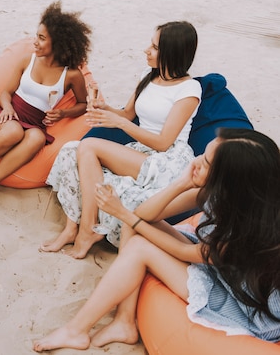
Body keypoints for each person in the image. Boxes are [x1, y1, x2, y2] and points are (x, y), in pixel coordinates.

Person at [33, 128, 280, 351]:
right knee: (137, 224)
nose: (195, 162)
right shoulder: (219, 194)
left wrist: (123, 214)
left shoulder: (248, 232)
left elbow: (187, 254)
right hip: (221, 271)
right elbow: (146, 214)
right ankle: (125, 321)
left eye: (204, 162)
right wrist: (182, 183)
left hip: (242, 305)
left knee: (139, 242)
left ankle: (76, 330)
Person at [42, 21, 201, 258]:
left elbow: (163, 142)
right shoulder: (148, 76)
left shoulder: (189, 89)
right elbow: (127, 113)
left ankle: (88, 230)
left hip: (166, 159)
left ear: (172, 52)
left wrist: (120, 124)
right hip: (141, 152)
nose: (146, 50)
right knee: (70, 151)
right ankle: (71, 229)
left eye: (155, 47)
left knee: (89, 146)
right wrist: (103, 107)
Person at [0, 1, 92, 202]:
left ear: (57, 43)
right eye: (36, 36)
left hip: (35, 123)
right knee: (14, 130)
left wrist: (63, 113)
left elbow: (84, 105)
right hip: (9, 114)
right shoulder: (27, 60)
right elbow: (6, 92)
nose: (35, 42)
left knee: (38, 139)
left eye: (41, 38)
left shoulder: (72, 75)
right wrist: (6, 107)